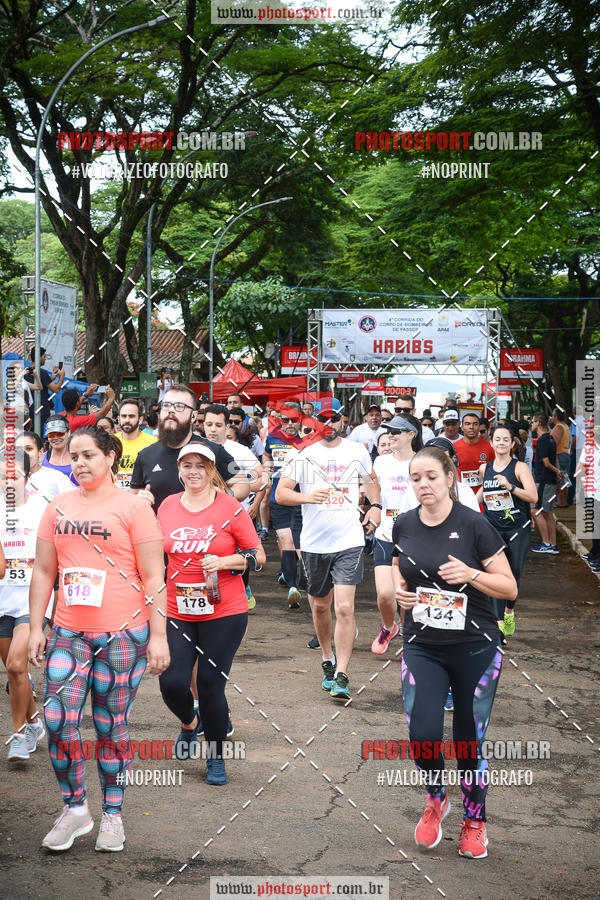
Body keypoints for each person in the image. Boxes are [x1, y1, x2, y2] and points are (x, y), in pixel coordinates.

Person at [27, 426, 169, 853]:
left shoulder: (134, 508)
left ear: (110, 457)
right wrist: (36, 627)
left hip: (123, 634)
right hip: (69, 632)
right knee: (58, 720)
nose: (80, 463)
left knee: (111, 726)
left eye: (88, 455)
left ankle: (112, 815)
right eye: (74, 456)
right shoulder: (58, 506)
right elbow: (44, 571)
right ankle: (75, 809)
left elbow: (154, 576)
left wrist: (159, 636)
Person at [391, 446, 517, 859]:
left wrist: (471, 574)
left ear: (450, 478)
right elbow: (399, 568)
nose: (423, 485)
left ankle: (475, 821)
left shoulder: (474, 524)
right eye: (416, 478)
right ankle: (436, 798)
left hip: (474, 648)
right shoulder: (404, 524)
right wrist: (400, 593)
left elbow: (509, 587)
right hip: (422, 645)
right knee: (423, 735)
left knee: (468, 742)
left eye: (431, 476)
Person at [156, 444, 265, 784]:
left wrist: (225, 561)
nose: (193, 472)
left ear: (211, 470)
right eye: (187, 465)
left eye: (200, 466)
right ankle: (190, 722)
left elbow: (257, 555)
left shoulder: (230, 507)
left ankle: (216, 757)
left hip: (224, 611)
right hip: (177, 608)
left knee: (209, 684)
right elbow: (156, 552)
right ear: (179, 469)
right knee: (171, 682)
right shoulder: (168, 506)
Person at [276, 404, 381, 701]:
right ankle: (327, 659)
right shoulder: (302, 454)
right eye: (322, 419)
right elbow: (281, 493)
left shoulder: (356, 451)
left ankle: (342, 675)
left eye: (334, 418)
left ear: (342, 421)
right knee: (321, 607)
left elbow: (371, 481)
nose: (329, 423)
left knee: (344, 607)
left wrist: (375, 506)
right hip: (314, 544)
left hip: (349, 540)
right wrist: (307, 497)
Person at [0, 449, 48, 760]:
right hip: (3, 598)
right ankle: (33, 722)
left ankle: (18, 735)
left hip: (32, 599)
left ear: (27, 477)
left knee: (18, 665)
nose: (8, 483)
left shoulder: (42, 509)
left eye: (14, 476)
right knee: (14, 673)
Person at [129, 384, 240, 513]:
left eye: (179, 406)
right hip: (158, 525)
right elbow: (133, 495)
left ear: (193, 416)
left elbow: (242, 484)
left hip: (205, 525)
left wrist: (224, 497)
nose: (171, 410)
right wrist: (138, 500)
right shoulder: (145, 456)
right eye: (166, 405)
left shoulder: (213, 450)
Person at [476, 424, 537, 637]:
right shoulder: (485, 468)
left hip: (517, 529)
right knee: (496, 574)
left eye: (505, 439)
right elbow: (484, 492)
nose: (501, 443)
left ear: (512, 444)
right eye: (497, 439)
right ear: (491, 443)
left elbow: (533, 496)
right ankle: (498, 623)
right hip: (492, 528)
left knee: (514, 573)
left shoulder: (520, 467)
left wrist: (510, 487)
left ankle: (509, 611)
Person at [203, 404, 266, 610]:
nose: (213, 429)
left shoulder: (239, 451)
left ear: (226, 426)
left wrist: (244, 491)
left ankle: (243, 590)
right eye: (209, 424)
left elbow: (262, 477)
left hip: (236, 515)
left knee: (239, 557)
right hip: (203, 516)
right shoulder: (195, 448)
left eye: (218, 425)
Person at [370, 416, 421, 655]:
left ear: (411, 435)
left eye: (396, 431)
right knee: (385, 594)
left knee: (407, 594)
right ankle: (389, 627)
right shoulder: (380, 462)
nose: (390, 435)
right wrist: (372, 506)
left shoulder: (422, 462)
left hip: (415, 538)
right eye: (388, 431)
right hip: (385, 534)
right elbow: (371, 488)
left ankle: (410, 639)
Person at [263, 401, 303, 609]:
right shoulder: (272, 437)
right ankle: (292, 587)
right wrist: (267, 470)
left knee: (299, 543)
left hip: (302, 499)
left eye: (293, 420)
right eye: (285, 420)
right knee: (286, 540)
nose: (289, 424)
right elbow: (266, 454)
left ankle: (295, 576)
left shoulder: (309, 440)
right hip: (278, 498)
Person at [531, 413, 561, 554]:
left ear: (538, 423)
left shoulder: (542, 440)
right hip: (550, 480)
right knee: (548, 512)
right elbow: (554, 459)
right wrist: (558, 472)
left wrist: (557, 471)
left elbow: (546, 462)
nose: (531, 424)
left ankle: (546, 543)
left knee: (535, 510)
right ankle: (552, 544)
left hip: (543, 480)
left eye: (533, 421)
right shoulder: (550, 438)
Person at [16, 432, 75, 499]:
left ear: (40, 452)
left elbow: (73, 501)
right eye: (19, 450)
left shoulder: (57, 478)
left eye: (29, 449)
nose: (23, 454)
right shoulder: (7, 479)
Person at [115, 400, 156, 490]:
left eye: (131, 416)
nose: (127, 420)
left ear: (140, 420)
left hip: (142, 495)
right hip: (115, 496)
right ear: (118, 419)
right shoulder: (110, 442)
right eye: (124, 416)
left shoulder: (153, 443)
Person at [453, 412, 494, 495]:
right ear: (462, 427)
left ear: (479, 427)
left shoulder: (490, 447)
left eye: (475, 424)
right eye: (467, 424)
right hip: (461, 495)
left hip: (483, 494)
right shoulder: (453, 448)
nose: (471, 427)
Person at [24, 347, 65, 428]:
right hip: (41, 411)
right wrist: (62, 376)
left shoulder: (26, 372)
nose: (45, 359)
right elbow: (56, 389)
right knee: (41, 435)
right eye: (44, 356)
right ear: (39, 357)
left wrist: (51, 379)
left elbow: (40, 387)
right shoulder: (42, 373)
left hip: (29, 411)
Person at [42, 416, 79, 485]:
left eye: (60, 433)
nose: (55, 438)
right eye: (51, 435)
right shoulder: (41, 459)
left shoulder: (80, 457)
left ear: (69, 432)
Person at [551, 408, 571, 507]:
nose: (552, 417)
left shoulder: (558, 427)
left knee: (559, 479)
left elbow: (553, 444)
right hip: (565, 454)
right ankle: (564, 501)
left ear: (556, 417)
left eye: (553, 415)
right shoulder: (566, 426)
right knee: (565, 478)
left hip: (559, 455)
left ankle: (560, 501)